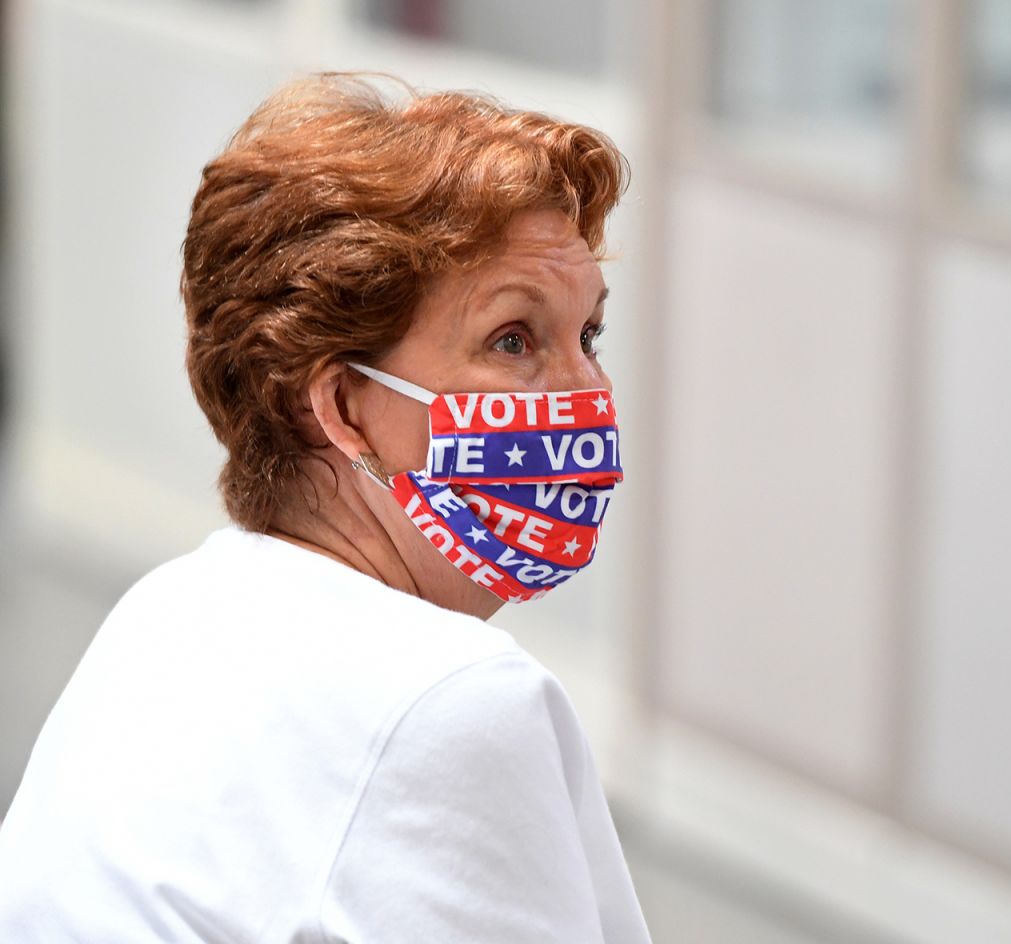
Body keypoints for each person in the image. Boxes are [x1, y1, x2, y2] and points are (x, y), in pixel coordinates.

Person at [0, 73, 651, 943]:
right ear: (344, 407)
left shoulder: (165, 614)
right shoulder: (450, 701)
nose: (587, 393)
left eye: (589, 336)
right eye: (513, 340)